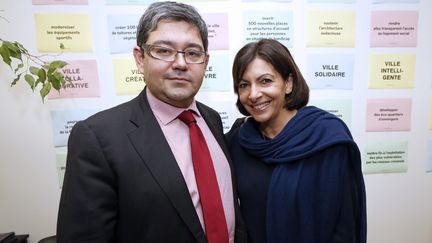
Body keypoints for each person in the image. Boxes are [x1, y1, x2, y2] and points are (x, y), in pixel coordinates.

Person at [57, 2, 246, 243]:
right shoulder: (97, 138)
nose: (180, 63)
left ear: (205, 61)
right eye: (164, 50)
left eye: (192, 53)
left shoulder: (212, 120)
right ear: (140, 58)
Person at [226, 39, 367, 243]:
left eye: (265, 81)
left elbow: (344, 225)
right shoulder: (238, 141)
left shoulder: (327, 138)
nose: (254, 94)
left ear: (289, 83)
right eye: (244, 85)